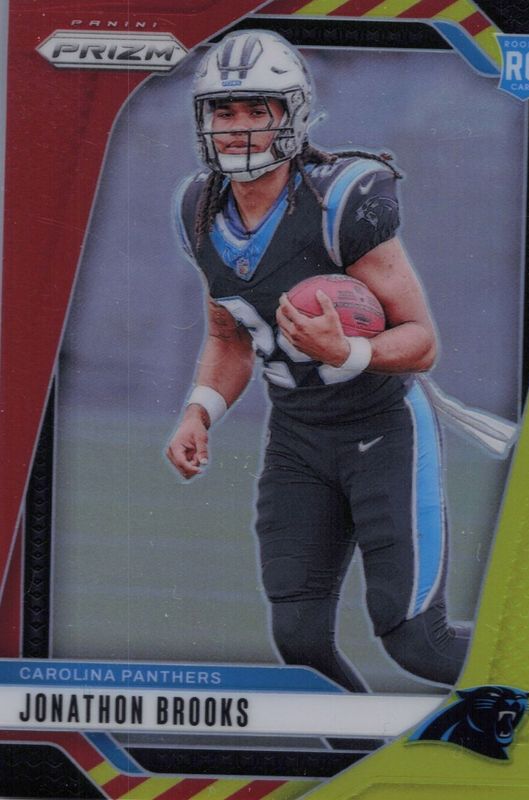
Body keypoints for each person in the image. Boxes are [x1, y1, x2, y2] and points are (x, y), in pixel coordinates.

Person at [167, 30, 470, 690]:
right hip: (298, 438)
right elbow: (229, 336)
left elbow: (421, 341)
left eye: (258, 109)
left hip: (384, 428)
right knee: (300, 641)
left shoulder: (339, 203)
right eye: (224, 110)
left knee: (417, 642)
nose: (238, 127)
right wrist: (199, 411)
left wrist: (348, 350)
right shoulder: (199, 208)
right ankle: (370, 753)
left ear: (294, 115)